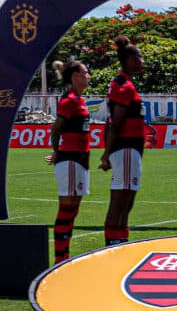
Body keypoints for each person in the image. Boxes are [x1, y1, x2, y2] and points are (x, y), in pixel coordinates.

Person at [98, 36, 144, 246]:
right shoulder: (123, 86)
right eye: (138, 57)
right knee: (120, 201)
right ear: (127, 59)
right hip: (125, 148)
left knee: (126, 201)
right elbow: (115, 122)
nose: (142, 61)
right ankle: (112, 244)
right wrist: (107, 154)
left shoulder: (123, 84)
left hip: (128, 149)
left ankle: (120, 241)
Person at [44, 60, 91, 263]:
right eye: (85, 73)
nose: (88, 76)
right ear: (75, 76)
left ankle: (65, 255)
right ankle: (60, 258)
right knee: (67, 208)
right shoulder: (69, 100)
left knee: (74, 208)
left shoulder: (78, 99)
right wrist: (57, 150)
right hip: (70, 158)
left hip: (80, 158)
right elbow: (56, 127)